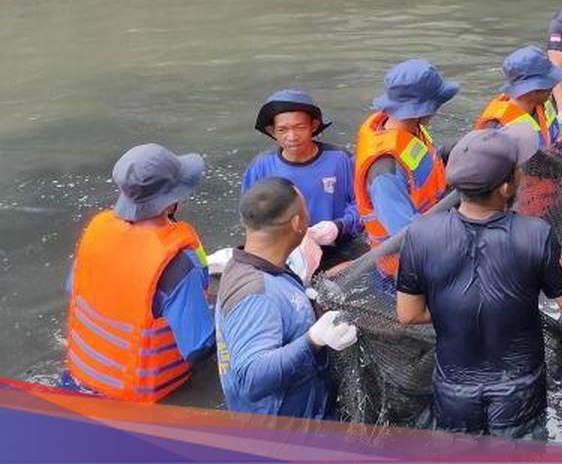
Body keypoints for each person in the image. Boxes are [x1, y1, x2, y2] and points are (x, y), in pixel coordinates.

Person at [395, 129, 562, 437]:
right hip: (519, 390)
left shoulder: (420, 234)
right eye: (518, 169)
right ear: (505, 186)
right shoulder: (535, 234)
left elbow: (407, 314)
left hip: (453, 390)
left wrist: (457, 305)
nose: (523, 173)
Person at [63, 144, 214, 402]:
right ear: (172, 201)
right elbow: (199, 347)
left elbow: (72, 287)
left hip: (76, 380)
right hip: (135, 400)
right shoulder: (178, 264)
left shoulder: (97, 232)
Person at [216, 178, 358, 418]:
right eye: (305, 210)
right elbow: (251, 378)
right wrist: (314, 339)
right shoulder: (256, 294)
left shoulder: (261, 266)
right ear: (297, 223)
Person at [354, 59, 459, 281]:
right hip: (405, 271)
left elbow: (421, 166)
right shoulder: (385, 170)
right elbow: (406, 235)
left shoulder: (405, 127)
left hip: (434, 226)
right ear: (422, 109)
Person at [242, 89, 363, 265]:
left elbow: (364, 205)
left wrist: (339, 226)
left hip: (338, 247)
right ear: (272, 131)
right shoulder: (261, 166)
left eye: (300, 127)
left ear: (313, 126)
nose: (292, 137)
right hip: (284, 253)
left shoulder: (341, 160)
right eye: (282, 129)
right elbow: (250, 217)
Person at [475, 46, 562, 148]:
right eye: (547, 84)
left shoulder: (543, 104)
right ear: (532, 90)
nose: (552, 87)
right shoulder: (498, 129)